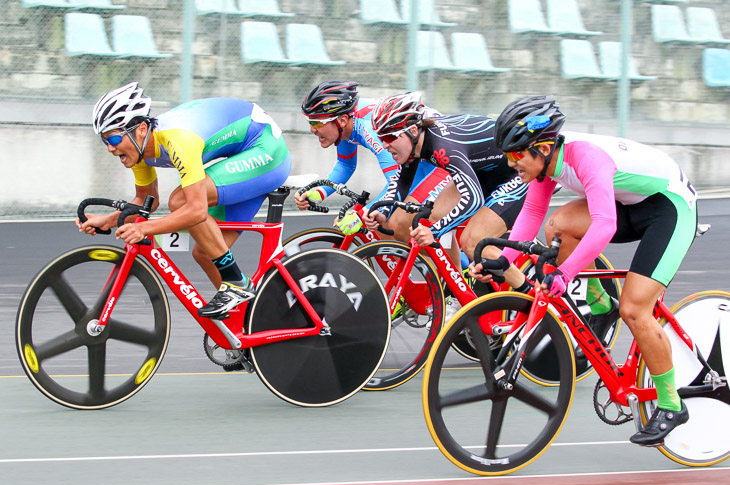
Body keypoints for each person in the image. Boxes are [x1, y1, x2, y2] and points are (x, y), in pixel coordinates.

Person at [473, 94, 696, 446]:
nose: (511, 162)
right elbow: (532, 215)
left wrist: (566, 273)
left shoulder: (586, 158)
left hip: (669, 209)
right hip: (630, 204)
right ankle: (601, 305)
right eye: (508, 155)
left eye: (517, 155)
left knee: (636, 309)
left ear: (543, 148)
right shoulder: (545, 167)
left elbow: (605, 226)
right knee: (557, 226)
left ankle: (671, 404)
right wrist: (505, 261)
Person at [78, 82, 291, 320]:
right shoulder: (138, 152)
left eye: (114, 140)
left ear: (139, 129)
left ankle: (238, 284)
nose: (109, 148)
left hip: (266, 151)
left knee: (181, 201)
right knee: (204, 252)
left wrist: (144, 228)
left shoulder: (178, 139)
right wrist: (109, 220)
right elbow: (146, 200)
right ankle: (252, 325)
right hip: (242, 155)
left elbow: (196, 210)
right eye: (104, 141)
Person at [366, 91, 532, 318]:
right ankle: (456, 291)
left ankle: (535, 301)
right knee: (433, 214)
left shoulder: (443, 147)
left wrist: (435, 231)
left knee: (473, 243)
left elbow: (472, 199)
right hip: (486, 172)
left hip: (515, 172)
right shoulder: (416, 144)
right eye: (381, 138)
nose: (384, 145)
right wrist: (384, 212)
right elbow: (402, 182)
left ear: (413, 131)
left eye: (389, 138)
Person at [296, 81, 451, 242]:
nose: (312, 129)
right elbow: (345, 165)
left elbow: (396, 184)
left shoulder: (371, 128)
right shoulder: (344, 122)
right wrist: (320, 192)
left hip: (440, 158)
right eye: (310, 122)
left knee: (399, 223)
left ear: (341, 120)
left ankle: (458, 266)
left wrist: (360, 215)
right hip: (418, 158)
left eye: (317, 123)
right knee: (382, 222)